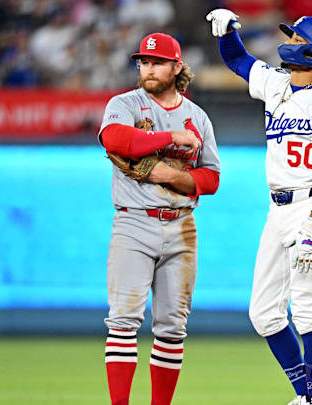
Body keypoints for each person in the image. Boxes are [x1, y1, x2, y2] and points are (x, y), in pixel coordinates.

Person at [206, 9, 312, 405]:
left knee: (307, 307)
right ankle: (306, 395)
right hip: (278, 209)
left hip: (311, 207)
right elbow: (237, 60)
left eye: (295, 38)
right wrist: (226, 31)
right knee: (264, 314)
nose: (287, 42)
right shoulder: (276, 84)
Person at [98, 32, 221, 405]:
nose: (149, 68)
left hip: (182, 226)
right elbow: (116, 140)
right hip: (134, 221)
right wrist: (171, 137)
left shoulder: (197, 116)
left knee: (172, 329)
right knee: (123, 321)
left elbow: (211, 179)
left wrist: (173, 177)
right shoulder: (126, 103)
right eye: (144, 62)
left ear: (177, 67)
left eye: (158, 62)